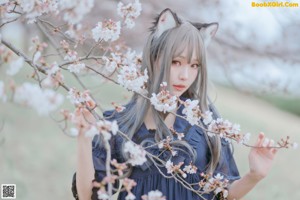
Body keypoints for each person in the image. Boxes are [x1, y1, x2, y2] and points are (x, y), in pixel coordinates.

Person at [72, 8, 277, 200]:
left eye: (194, 65)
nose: (185, 75)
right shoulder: (119, 124)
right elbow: (88, 194)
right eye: (176, 62)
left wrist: (254, 175)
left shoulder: (205, 120)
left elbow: (225, 193)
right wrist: (84, 134)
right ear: (154, 58)